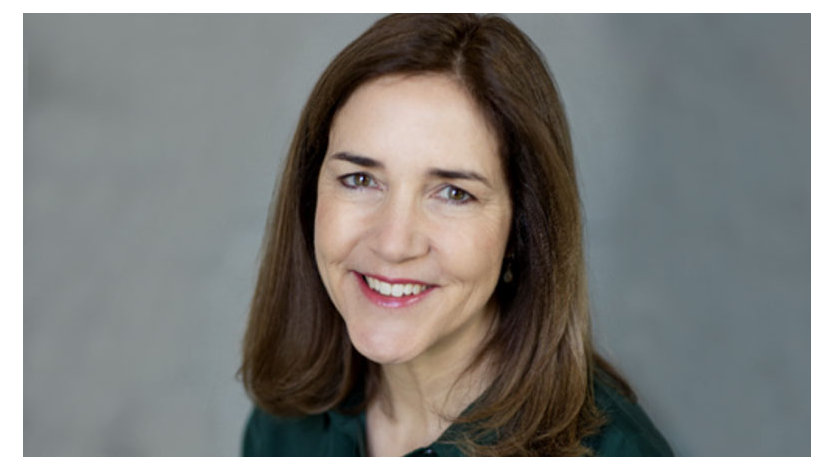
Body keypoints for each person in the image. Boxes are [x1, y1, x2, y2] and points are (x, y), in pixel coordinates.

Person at [238, 13, 673, 457]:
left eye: (453, 193)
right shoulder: (287, 427)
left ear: (522, 229)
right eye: (360, 180)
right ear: (310, 195)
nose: (393, 243)